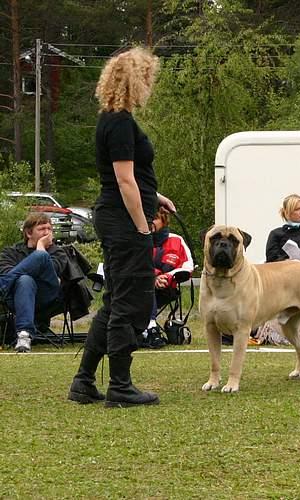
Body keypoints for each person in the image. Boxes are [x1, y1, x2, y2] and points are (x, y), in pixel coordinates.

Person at [68, 47, 175, 408]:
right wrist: (143, 226)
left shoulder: (114, 120)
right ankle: (120, 386)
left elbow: (130, 178)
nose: (150, 84)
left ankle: (83, 382)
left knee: (116, 300)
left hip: (118, 217)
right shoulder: (120, 123)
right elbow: (124, 181)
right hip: (124, 222)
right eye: (147, 77)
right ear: (135, 80)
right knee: (130, 301)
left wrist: (156, 196)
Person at [256, 194, 300, 345]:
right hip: (284, 279)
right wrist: (290, 262)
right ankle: (282, 334)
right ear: (287, 212)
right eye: (297, 209)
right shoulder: (276, 234)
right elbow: (271, 258)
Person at [0, 212, 67, 353]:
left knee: (42, 256)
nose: (47, 232)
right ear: (29, 233)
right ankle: (24, 335)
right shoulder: (10, 252)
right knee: (25, 280)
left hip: (48, 296)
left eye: (49, 229)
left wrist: (41, 247)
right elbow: (5, 271)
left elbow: (55, 271)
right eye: (42, 229)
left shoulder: (58, 252)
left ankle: (2, 284)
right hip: (16, 297)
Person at [142, 208, 194, 347]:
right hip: (139, 286)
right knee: (144, 283)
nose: (150, 222)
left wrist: (167, 277)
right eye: (147, 218)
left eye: (155, 218)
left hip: (166, 288)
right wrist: (154, 277)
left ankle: (150, 329)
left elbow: (188, 266)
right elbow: (132, 264)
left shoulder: (176, 240)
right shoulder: (137, 240)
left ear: (164, 220)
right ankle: (150, 328)